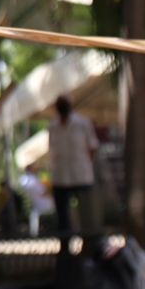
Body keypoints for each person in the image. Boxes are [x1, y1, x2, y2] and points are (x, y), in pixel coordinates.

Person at [47, 95, 98, 235]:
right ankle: (65, 251)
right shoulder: (53, 126)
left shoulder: (82, 123)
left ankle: (89, 246)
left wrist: (84, 163)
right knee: (63, 218)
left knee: (87, 215)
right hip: (61, 177)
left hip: (81, 175)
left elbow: (92, 146)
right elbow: (52, 148)